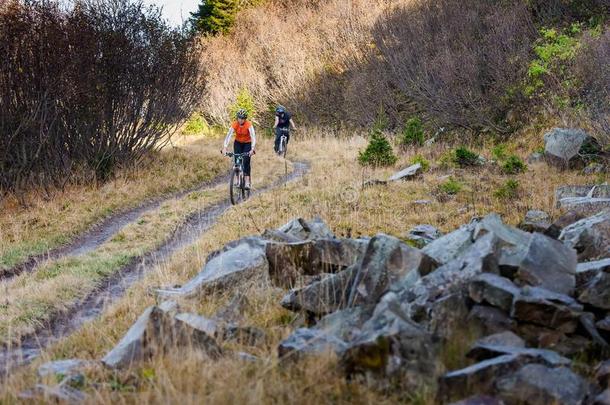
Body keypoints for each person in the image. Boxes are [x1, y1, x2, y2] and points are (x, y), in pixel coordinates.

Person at [222, 109, 256, 189]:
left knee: (246, 161)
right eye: (239, 118)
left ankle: (247, 182)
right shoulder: (235, 124)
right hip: (238, 143)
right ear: (237, 118)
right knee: (237, 161)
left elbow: (253, 136)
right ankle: (238, 181)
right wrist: (225, 147)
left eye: (242, 118)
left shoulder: (249, 125)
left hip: (247, 143)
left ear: (245, 119)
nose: (240, 120)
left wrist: (252, 148)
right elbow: (229, 135)